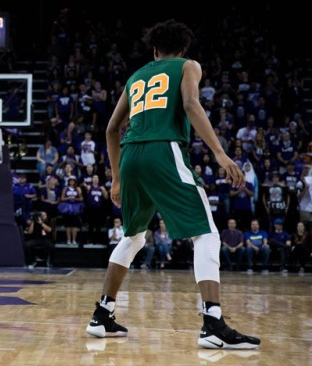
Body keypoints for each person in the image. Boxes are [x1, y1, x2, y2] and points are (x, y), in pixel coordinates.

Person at [85, 20, 259, 349]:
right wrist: (220, 154)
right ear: (183, 50)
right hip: (163, 150)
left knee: (133, 237)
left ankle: (102, 314)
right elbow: (192, 105)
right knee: (206, 233)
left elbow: (111, 128)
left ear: (154, 50)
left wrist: (116, 177)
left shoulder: (136, 76)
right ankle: (212, 323)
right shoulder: (188, 65)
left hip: (130, 156)